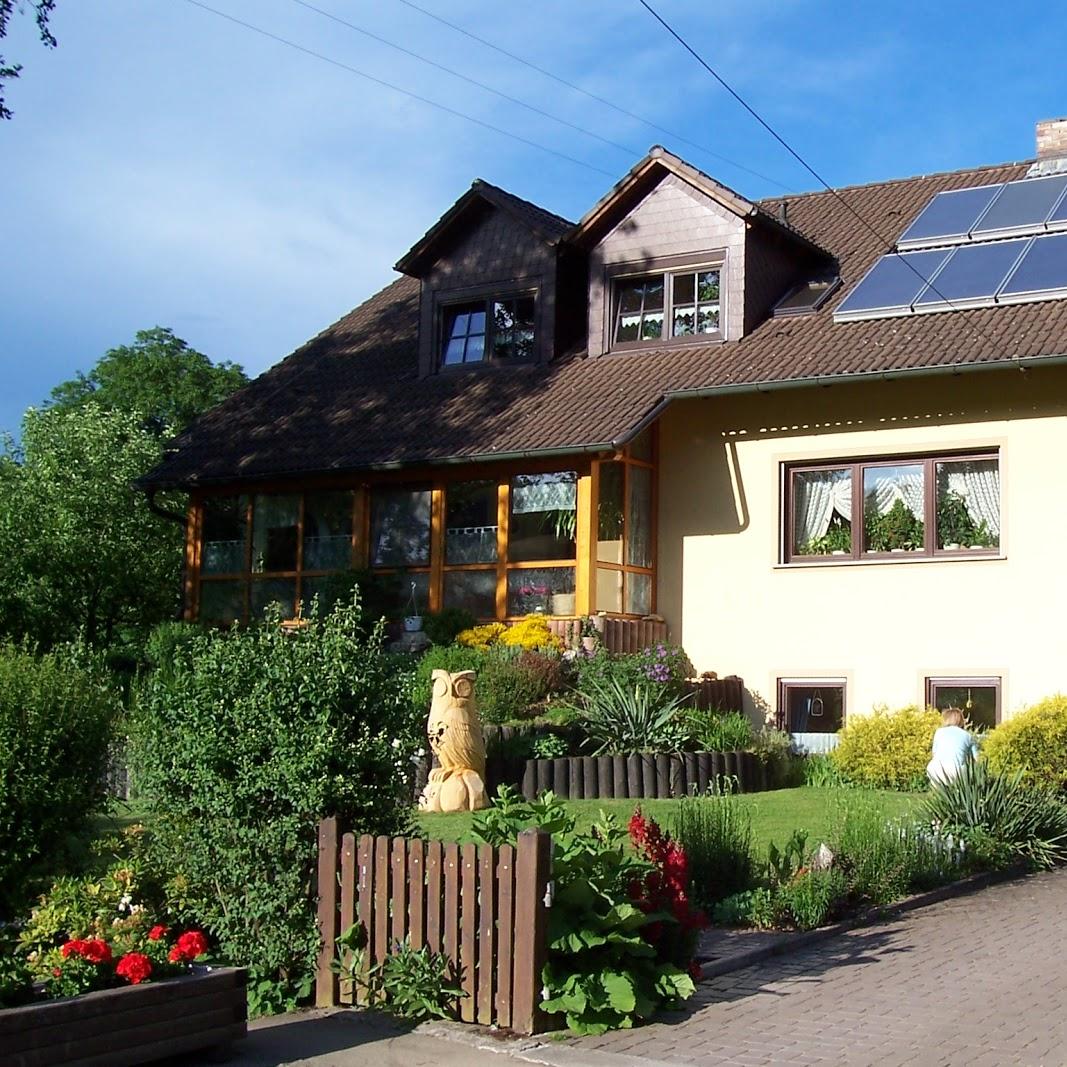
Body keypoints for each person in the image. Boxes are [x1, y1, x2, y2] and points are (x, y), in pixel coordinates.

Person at [927, 707, 979, 785]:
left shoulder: (939, 732)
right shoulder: (967, 736)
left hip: (936, 770)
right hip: (956, 772)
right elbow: (976, 759)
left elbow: (934, 754)